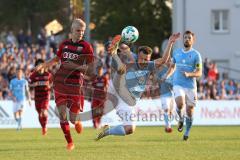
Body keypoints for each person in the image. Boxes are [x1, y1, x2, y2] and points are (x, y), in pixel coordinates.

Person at [96, 33, 180, 140]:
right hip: (119, 90)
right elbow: (124, 48)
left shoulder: (149, 65)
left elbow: (163, 60)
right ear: (138, 56)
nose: (144, 62)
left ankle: (107, 131)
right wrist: (116, 44)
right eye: (142, 59)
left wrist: (170, 42)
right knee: (121, 69)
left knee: (130, 129)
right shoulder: (132, 58)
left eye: (147, 59)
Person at [34, 18, 95, 150]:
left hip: (75, 86)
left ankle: (77, 121)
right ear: (72, 30)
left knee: (73, 119)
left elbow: (90, 69)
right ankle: (70, 142)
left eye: (83, 31)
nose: (80, 33)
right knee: (62, 114)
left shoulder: (86, 47)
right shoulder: (64, 44)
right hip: (61, 84)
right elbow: (56, 59)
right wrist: (44, 65)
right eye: (78, 30)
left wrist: (75, 66)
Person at [170, 30, 202, 140]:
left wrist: (189, 74)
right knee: (179, 103)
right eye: (185, 37)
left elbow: (199, 72)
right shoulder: (177, 52)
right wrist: (166, 75)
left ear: (193, 40)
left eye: (189, 38)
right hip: (178, 83)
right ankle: (180, 118)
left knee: (190, 110)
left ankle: (187, 132)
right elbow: (172, 67)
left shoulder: (196, 55)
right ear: (183, 39)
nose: (187, 39)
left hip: (191, 86)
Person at [29, 59, 52, 135]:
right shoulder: (33, 75)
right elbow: (29, 85)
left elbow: (53, 84)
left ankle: (45, 126)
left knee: (44, 111)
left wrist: (50, 85)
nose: (40, 66)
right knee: (40, 114)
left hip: (45, 95)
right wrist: (33, 85)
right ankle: (43, 127)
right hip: (37, 96)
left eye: (41, 65)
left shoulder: (48, 75)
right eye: (38, 65)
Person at [156, 58, 175, 133]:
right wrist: (161, 80)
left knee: (171, 111)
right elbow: (157, 80)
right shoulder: (161, 70)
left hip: (172, 93)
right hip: (164, 93)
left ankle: (168, 124)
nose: (170, 62)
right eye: (169, 61)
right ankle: (168, 126)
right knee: (166, 109)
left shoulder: (174, 70)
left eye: (171, 61)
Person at [91, 65, 109, 129]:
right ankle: (95, 123)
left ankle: (98, 122)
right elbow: (92, 87)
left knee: (101, 111)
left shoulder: (105, 78)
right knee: (94, 110)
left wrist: (106, 96)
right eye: (98, 70)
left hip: (102, 97)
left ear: (102, 71)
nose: (99, 71)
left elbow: (107, 87)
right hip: (95, 97)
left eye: (100, 70)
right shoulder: (95, 78)